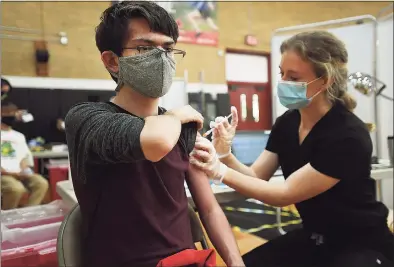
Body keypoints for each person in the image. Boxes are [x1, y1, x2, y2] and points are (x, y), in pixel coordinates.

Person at [190, 31, 394, 267]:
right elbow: (257, 177)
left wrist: (219, 171)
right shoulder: (288, 122)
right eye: (282, 73)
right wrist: (225, 155)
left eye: (294, 77)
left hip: (360, 243)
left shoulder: (347, 135)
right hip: (315, 238)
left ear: (325, 80)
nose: (284, 82)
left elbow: (284, 194)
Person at [64, 2, 243, 267]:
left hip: (186, 261)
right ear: (113, 60)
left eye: (168, 48)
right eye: (145, 48)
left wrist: (236, 263)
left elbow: (208, 208)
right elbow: (154, 142)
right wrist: (173, 117)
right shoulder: (86, 119)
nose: (160, 58)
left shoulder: (183, 128)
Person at [1, 101, 49, 210]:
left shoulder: (19, 136)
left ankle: (29, 213)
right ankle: (7, 216)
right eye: (6, 114)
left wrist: (25, 171)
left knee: (41, 183)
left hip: (19, 173)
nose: (11, 116)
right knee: (16, 189)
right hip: (3, 175)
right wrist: (12, 173)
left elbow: (23, 158)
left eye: (13, 113)